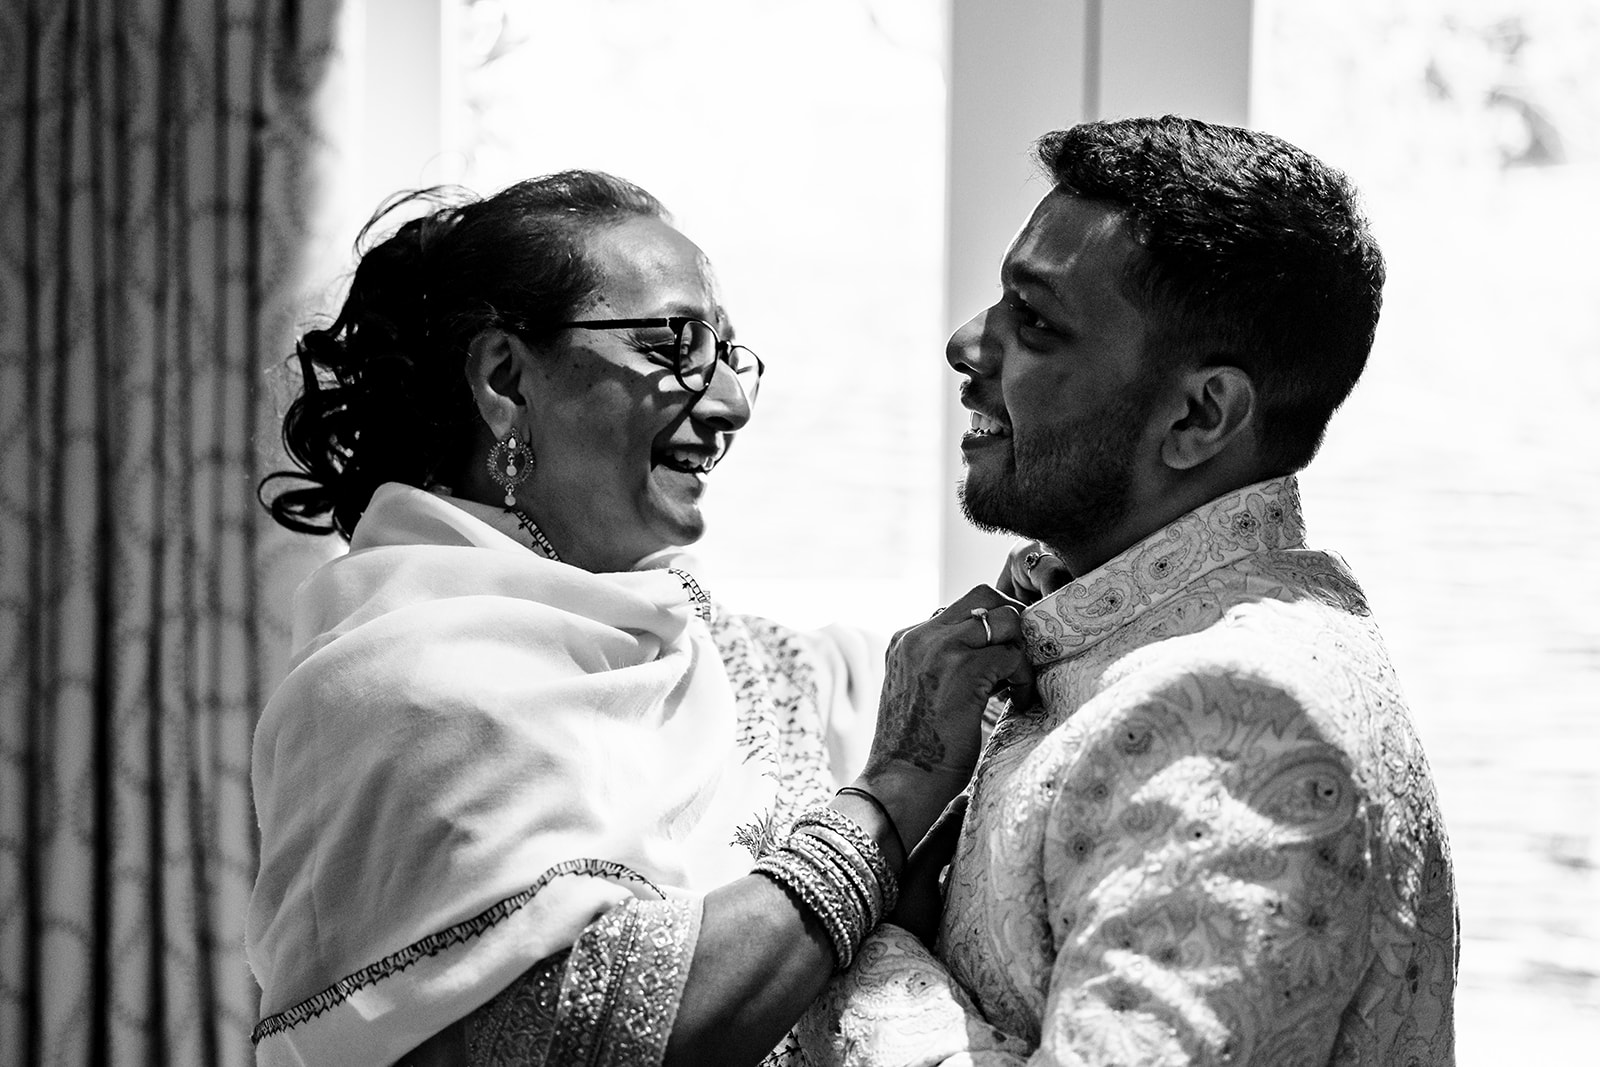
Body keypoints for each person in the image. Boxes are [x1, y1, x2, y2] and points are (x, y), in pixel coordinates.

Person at [247, 171, 1031, 1066]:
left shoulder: (692, 641)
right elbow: (581, 1039)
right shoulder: (408, 686)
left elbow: (873, 682)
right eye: (674, 344)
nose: (729, 403)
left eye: (728, 356)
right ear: (505, 378)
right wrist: (893, 795)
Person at [798, 116, 1458, 1066]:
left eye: (1034, 321)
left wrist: (863, 913)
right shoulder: (1132, 627)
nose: (965, 342)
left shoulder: (1238, 719)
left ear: (1198, 415)